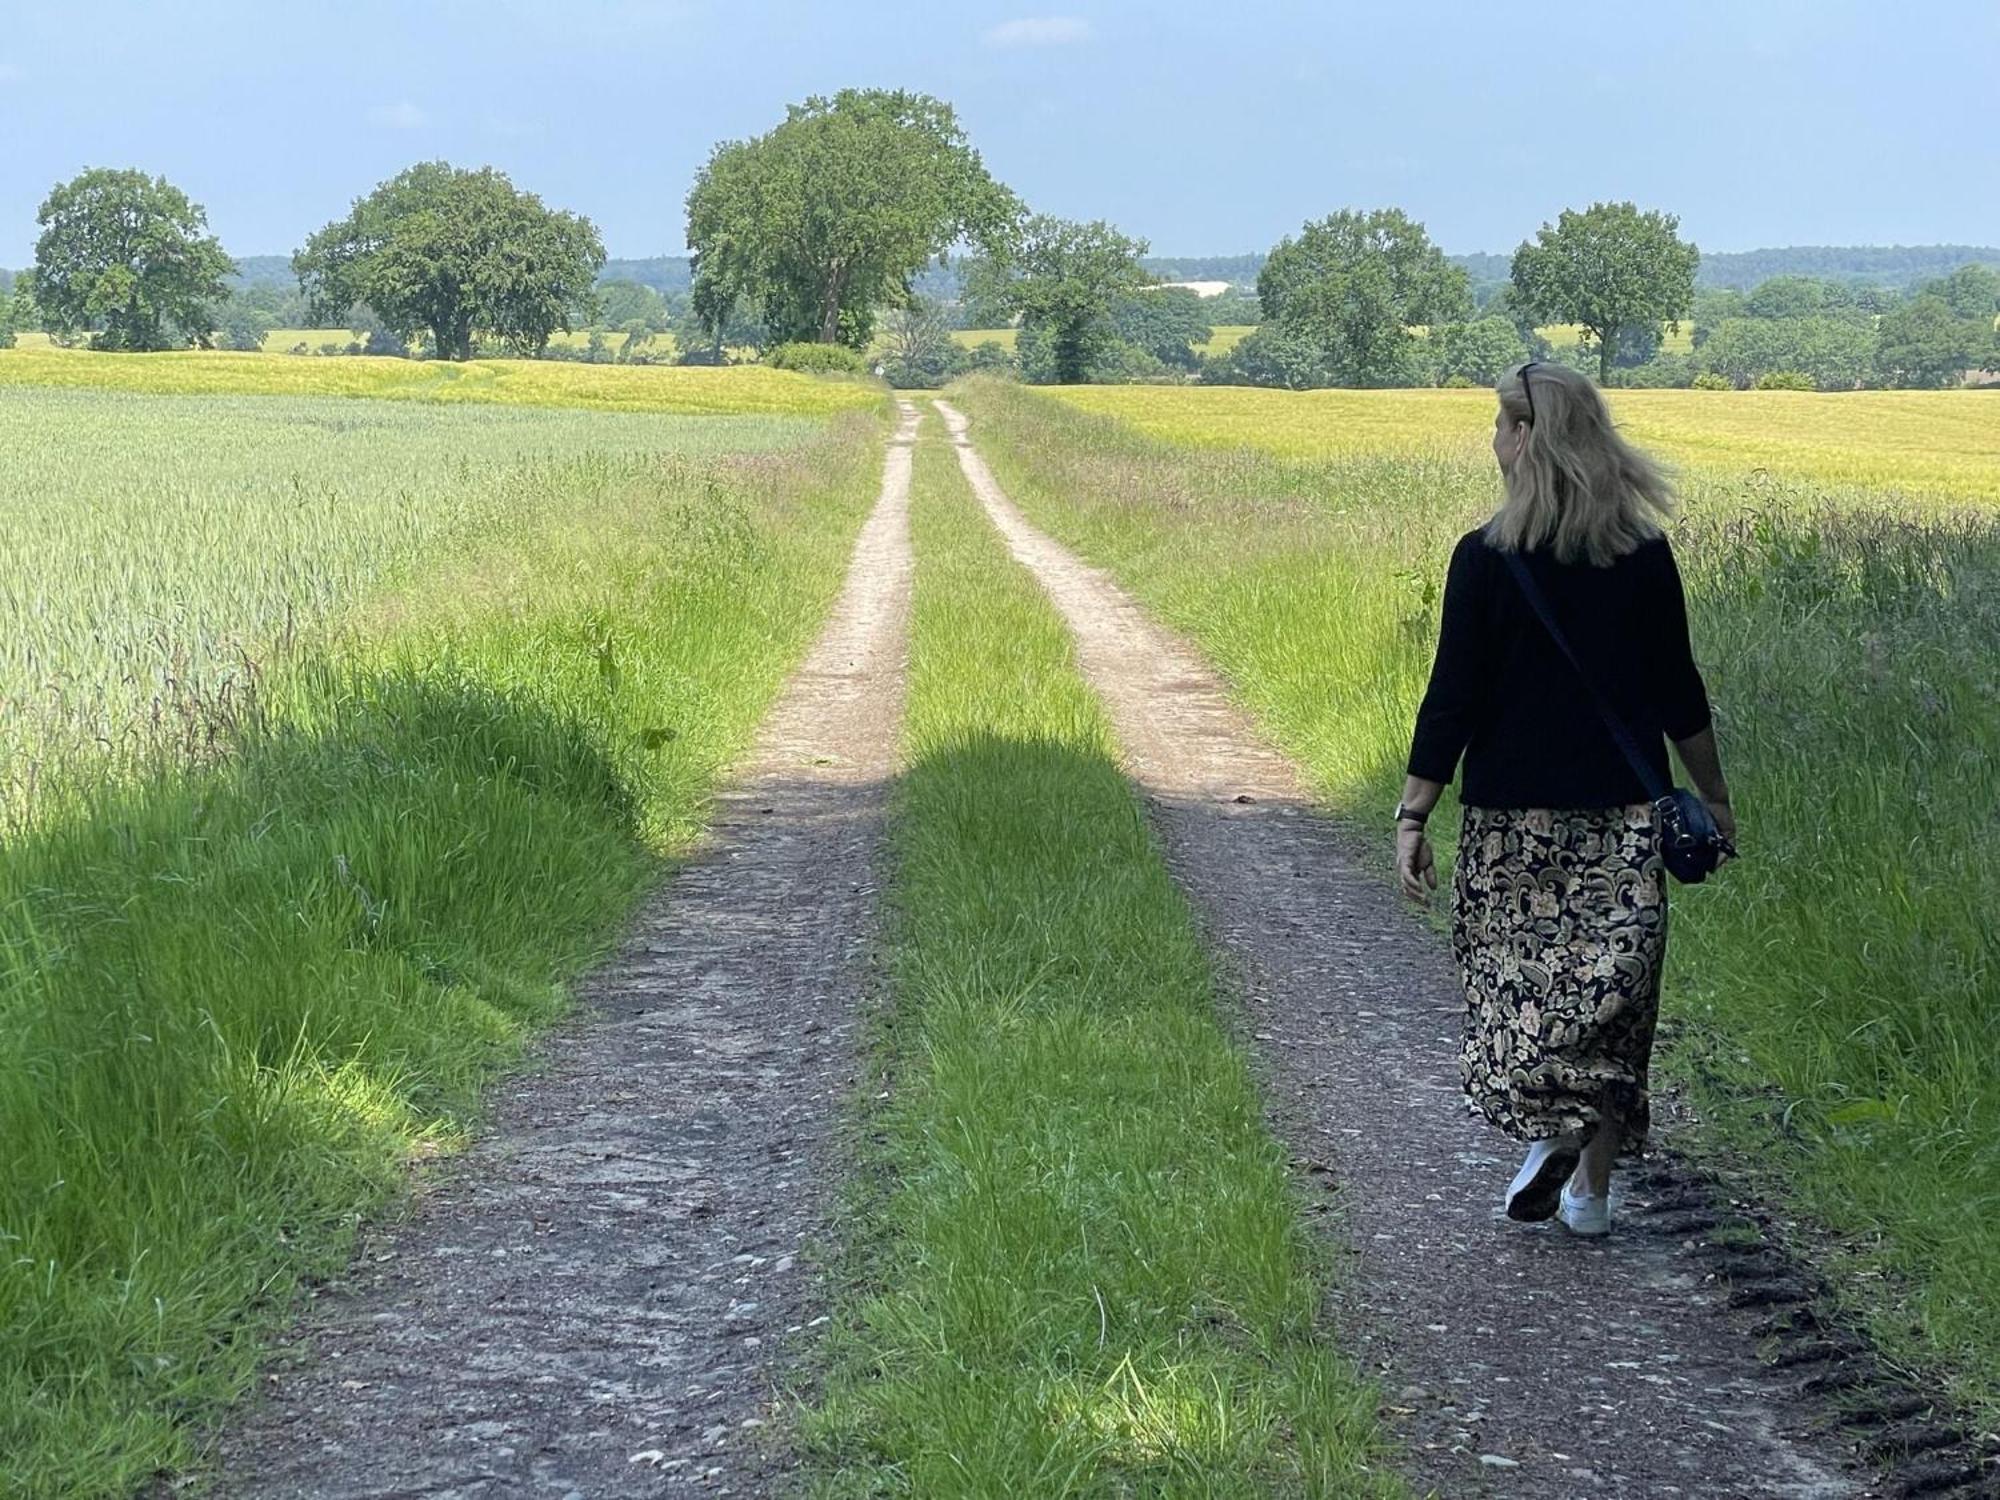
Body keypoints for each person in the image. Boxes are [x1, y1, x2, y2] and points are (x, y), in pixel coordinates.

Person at [1393, 360, 1735, 1237]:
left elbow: (1452, 697)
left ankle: (1551, 1127)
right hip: (1623, 820)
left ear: (1529, 440)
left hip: (1512, 826)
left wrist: (1414, 814)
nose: (1494, 441)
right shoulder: (1644, 556)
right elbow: (1679, 693)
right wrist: (1714, 798)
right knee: (1614, 1004)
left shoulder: (1484, 559)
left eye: (1502, 426)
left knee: (1523, 989)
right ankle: (1590, 1190)